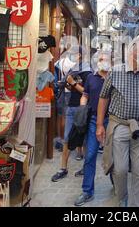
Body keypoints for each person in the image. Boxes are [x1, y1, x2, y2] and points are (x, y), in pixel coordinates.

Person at [96, 40, 139, 207]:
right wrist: (99, 125)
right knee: (120, 169)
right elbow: (103, 98)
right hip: (119, 126)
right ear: (131, 55)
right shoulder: (115, 72)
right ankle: (122, 199)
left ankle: (138, 206)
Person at [74, 52, 112, 206]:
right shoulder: (91, 78)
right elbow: (85, 95)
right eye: (101, 59)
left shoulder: (115, 77)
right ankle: (87, 191)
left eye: (107, 59)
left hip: (113, 121)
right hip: (94, 120)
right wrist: (82, 108)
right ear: (97, 62)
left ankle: (118, 186)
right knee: (90, 155)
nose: (104, 61)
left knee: (114, 156)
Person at [51, 46, 92, 182]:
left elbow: (87, 91)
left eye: (73, 54)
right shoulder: (73, 69)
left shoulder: (87, 71)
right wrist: (67, 85)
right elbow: (72, 87)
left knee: (85, 140)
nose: (71, 56)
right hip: (71, 107)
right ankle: (63, 168)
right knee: (67, 139)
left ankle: (86, 168)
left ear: (79, 55)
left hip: (82, 110)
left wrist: (73, 83)